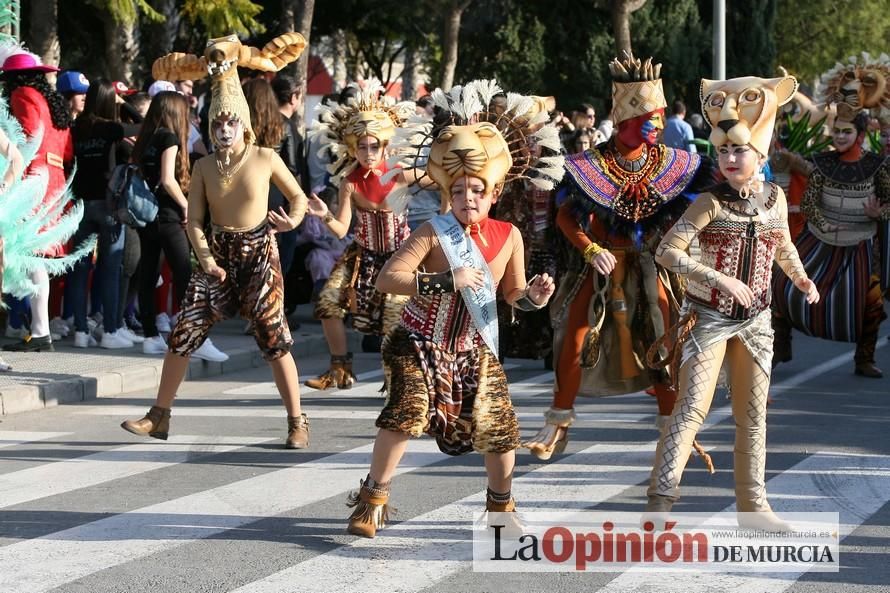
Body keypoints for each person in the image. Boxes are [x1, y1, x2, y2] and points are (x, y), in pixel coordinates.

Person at [345, 80, 562, 538]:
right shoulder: (431, 231)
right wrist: (447, 279)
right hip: (419, 341)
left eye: (478, 191)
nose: (468, 199)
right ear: (450, 191)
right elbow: (389, 279)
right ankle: (372, 500)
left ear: (494, 192)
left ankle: (501, 510)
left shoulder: (510, 236)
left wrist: (534, 298)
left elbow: (511, 295)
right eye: (460, 191)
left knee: (500, 425)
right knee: (407, 412)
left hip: (472, 346)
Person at [121, 32, 311, 448]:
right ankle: (159, 415)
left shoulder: (265, 157)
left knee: (274, 339)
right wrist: (205, 258)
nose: (224, 129)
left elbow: (298, 197)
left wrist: (290, 222)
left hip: (260, 251)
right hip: (218, 255)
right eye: (218, 123)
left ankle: (297, 421)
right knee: (184, 332)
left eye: (231, 123)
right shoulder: (205, 165)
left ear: (243, 124)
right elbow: (194, 221)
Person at [646, 74, 819, 531]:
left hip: (758, 322)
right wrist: (720, 279)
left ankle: (752, 508)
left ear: (760, 155)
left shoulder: (775, 198)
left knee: (753, 417)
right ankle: (659, 505)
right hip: (708, 319)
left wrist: (802, 280)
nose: (728, 158)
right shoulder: (708, 202)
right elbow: (667, 251)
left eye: (738, 150)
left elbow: (783, 246)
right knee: (690, 411)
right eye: (722, 151)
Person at [524, 53, 712, 461]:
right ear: (623, 119)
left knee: (665, 343)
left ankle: (675, 432)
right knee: (573, 342)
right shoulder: (589, 166)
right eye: (646, 116)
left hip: (652, 266)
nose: (656, 125)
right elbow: (564, 217)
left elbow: (698, 210)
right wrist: (591, 250)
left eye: (659, 116)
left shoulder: (675, 163)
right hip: (601, 267)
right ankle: (557, 424)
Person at [772, 53, 890, 377]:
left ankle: (864, 358)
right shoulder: (822, 163)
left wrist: (879, 212)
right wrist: (825, 223)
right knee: (782, 284)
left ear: (861, 135)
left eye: (846, 132)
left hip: (863, 246)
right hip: (820, 240)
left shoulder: (877, 166)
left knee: (872, 302)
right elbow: (809, 204)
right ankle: (780, 346)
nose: (839, 137)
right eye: (836, 131)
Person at [302, 80, 421, 389]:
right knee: (327, 304)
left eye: (375, 145)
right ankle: (340, 370)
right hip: (362, 256)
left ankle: (397, 382)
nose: (368, 152)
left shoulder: (401, 174)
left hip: (399, 257)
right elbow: (342, 227)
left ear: (385, 144)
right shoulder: (349, 182)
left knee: (394, 318)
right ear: (353, 146)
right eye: (362, 146)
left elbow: (444, 178)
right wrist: (323, 214)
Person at [0, 44, 76, 353]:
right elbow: (67, 151)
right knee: (35, 258)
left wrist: (16, 187)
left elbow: (28, 139)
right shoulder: (50, 99)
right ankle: (39, 329)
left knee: (30, 256)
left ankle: (40, 330)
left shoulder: (22, 96)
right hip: (54, 179)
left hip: (33, 179)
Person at [69, 79, 145, 349]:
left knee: (79, 270)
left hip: (80, 205)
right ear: (107, 101)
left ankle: (80, 331)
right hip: (108, 204)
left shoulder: (76, 127)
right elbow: (145, 125)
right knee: (111, 269)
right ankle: (110, 332)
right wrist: (124, 103)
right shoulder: (110, 128)